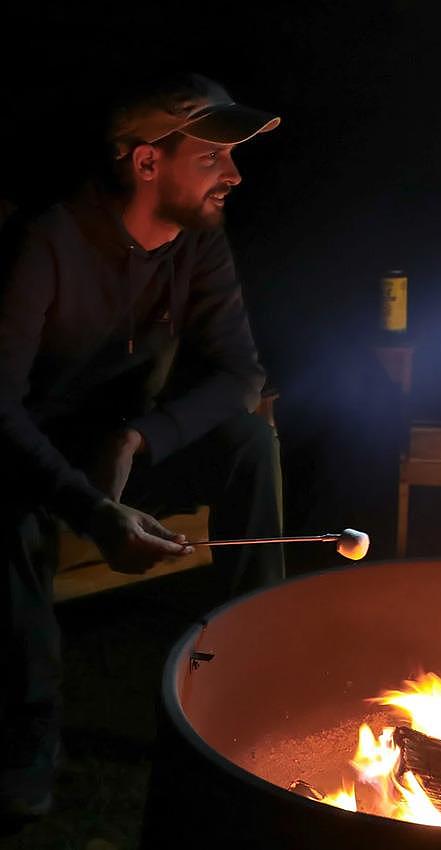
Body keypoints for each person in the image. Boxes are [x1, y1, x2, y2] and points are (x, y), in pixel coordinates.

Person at [0, 72, 283, 824]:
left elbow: (240, 372)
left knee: (247, 442)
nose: (234, 174)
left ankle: (259, 683)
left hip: (123, 442)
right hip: (30, 453)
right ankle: (30, 731)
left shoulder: (197, 245)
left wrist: (141, 436)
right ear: (145, 162)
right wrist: (92, 509)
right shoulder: (46, 240)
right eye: (213, 157)